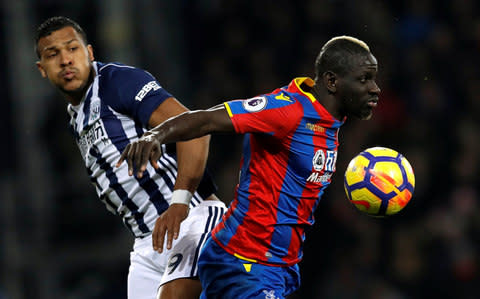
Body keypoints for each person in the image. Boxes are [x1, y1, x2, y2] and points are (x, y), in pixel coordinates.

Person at [117, 35, 381, 298]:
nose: (375, 88)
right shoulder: (287, 111)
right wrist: (155, 135)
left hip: (277, 267)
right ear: (332, 81)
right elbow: (207, 120)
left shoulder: (329, 124)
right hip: (243, 260)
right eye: (364, 79)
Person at [34, 16, 226, 299]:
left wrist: (179, 204)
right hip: (147, 243)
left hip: (190, 220)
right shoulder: (76, 117)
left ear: (89, 53)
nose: (65, 60)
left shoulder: (117, 82)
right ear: (42, 69)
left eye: (72, 49)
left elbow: (196, 131)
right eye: (53, 54)